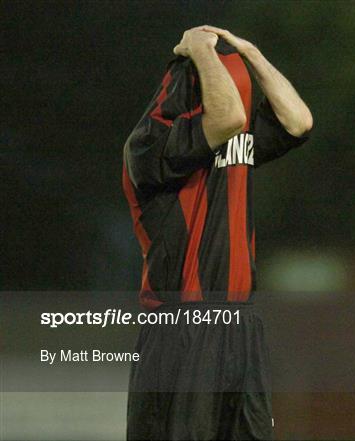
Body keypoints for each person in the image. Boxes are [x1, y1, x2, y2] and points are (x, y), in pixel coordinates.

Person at [122, 25, 313, 440]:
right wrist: (200, 50)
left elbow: (297, 121)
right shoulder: (151, 145)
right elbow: (227, 118)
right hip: (183, 330)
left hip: (239, 326)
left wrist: (254, 55)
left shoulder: (228, 139)